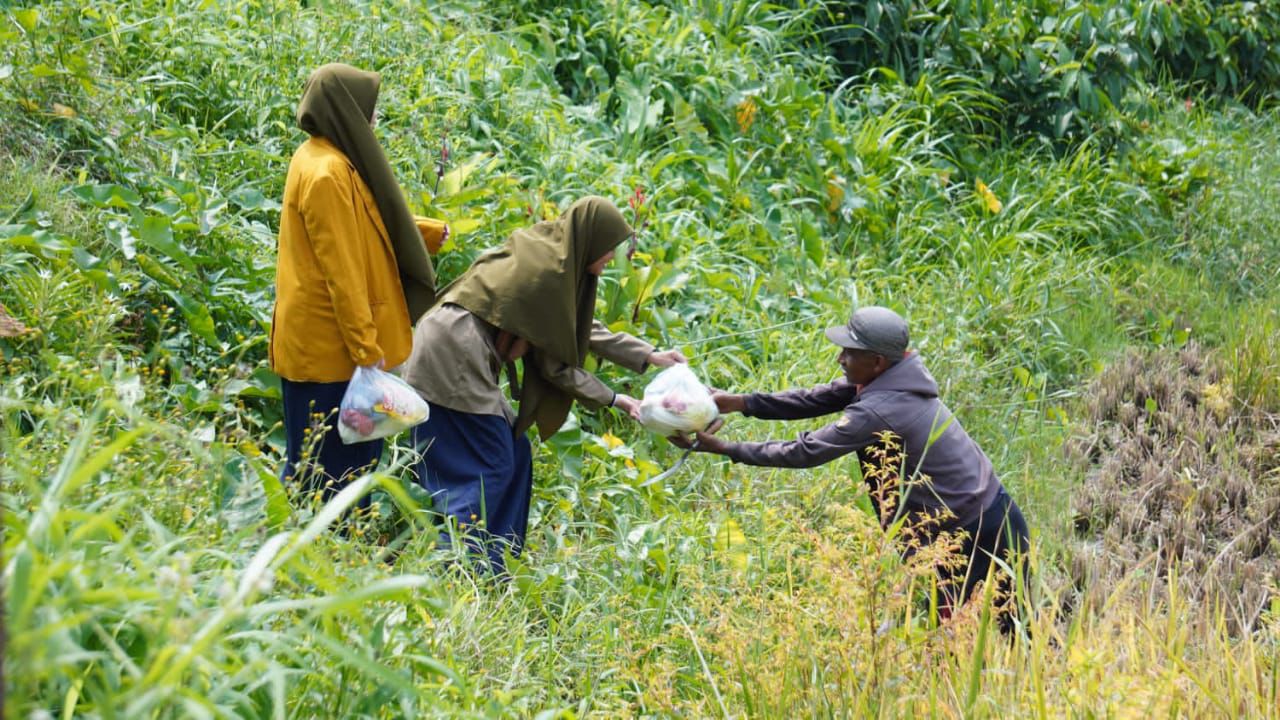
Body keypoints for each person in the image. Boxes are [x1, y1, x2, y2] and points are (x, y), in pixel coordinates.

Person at [674, 306, 1030, 625]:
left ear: (877, 361)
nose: (840, 359)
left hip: (975, 534)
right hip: (992, 513)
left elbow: (806, 452)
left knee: (988, 635)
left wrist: (726, 448)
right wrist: (738, 403)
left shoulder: (879, 408)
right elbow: (813, 398)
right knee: (987, 631)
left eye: (849, 352)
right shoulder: (896, 376)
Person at [402, 196, 686, 569]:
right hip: (454, 355)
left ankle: (496, 559)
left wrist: (648, 355)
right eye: (609, 250)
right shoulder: (548, 273)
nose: (610, 259)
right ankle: (457, 564)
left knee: (515, 452)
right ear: (592, 237)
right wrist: (617, 400)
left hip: (454, 346)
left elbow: (572, 328)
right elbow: (555, 366)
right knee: (489, 464)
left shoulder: (551, 253)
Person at [269, 63, 446, 505]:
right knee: (331, 478)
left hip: (327, 350)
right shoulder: (328, 173)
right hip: (331, 355)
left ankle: (330, 558)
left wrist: (420, 231)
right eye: (368, 108)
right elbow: (343, 273)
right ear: (344, 110)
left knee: (329, 470)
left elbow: (362, 219)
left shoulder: (324, 157)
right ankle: (325, 559)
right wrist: (367, 352)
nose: (374, 118)